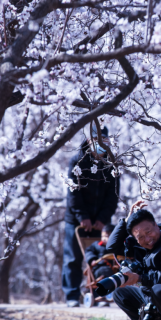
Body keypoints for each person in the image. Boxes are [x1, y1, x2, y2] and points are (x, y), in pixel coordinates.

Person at [62, 126, 120, 307]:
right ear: (89, 141)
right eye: (98, 140)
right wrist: (82, 217)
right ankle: (72, 295)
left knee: (104, 257)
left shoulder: (111, 164)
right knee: (73, 257)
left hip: (102, 221)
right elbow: (73, 193)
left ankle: (102, 292)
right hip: (77, 220)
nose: (102, 144)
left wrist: (102, 219)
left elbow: (113, 195)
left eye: (105, 140)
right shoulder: (77, 162)